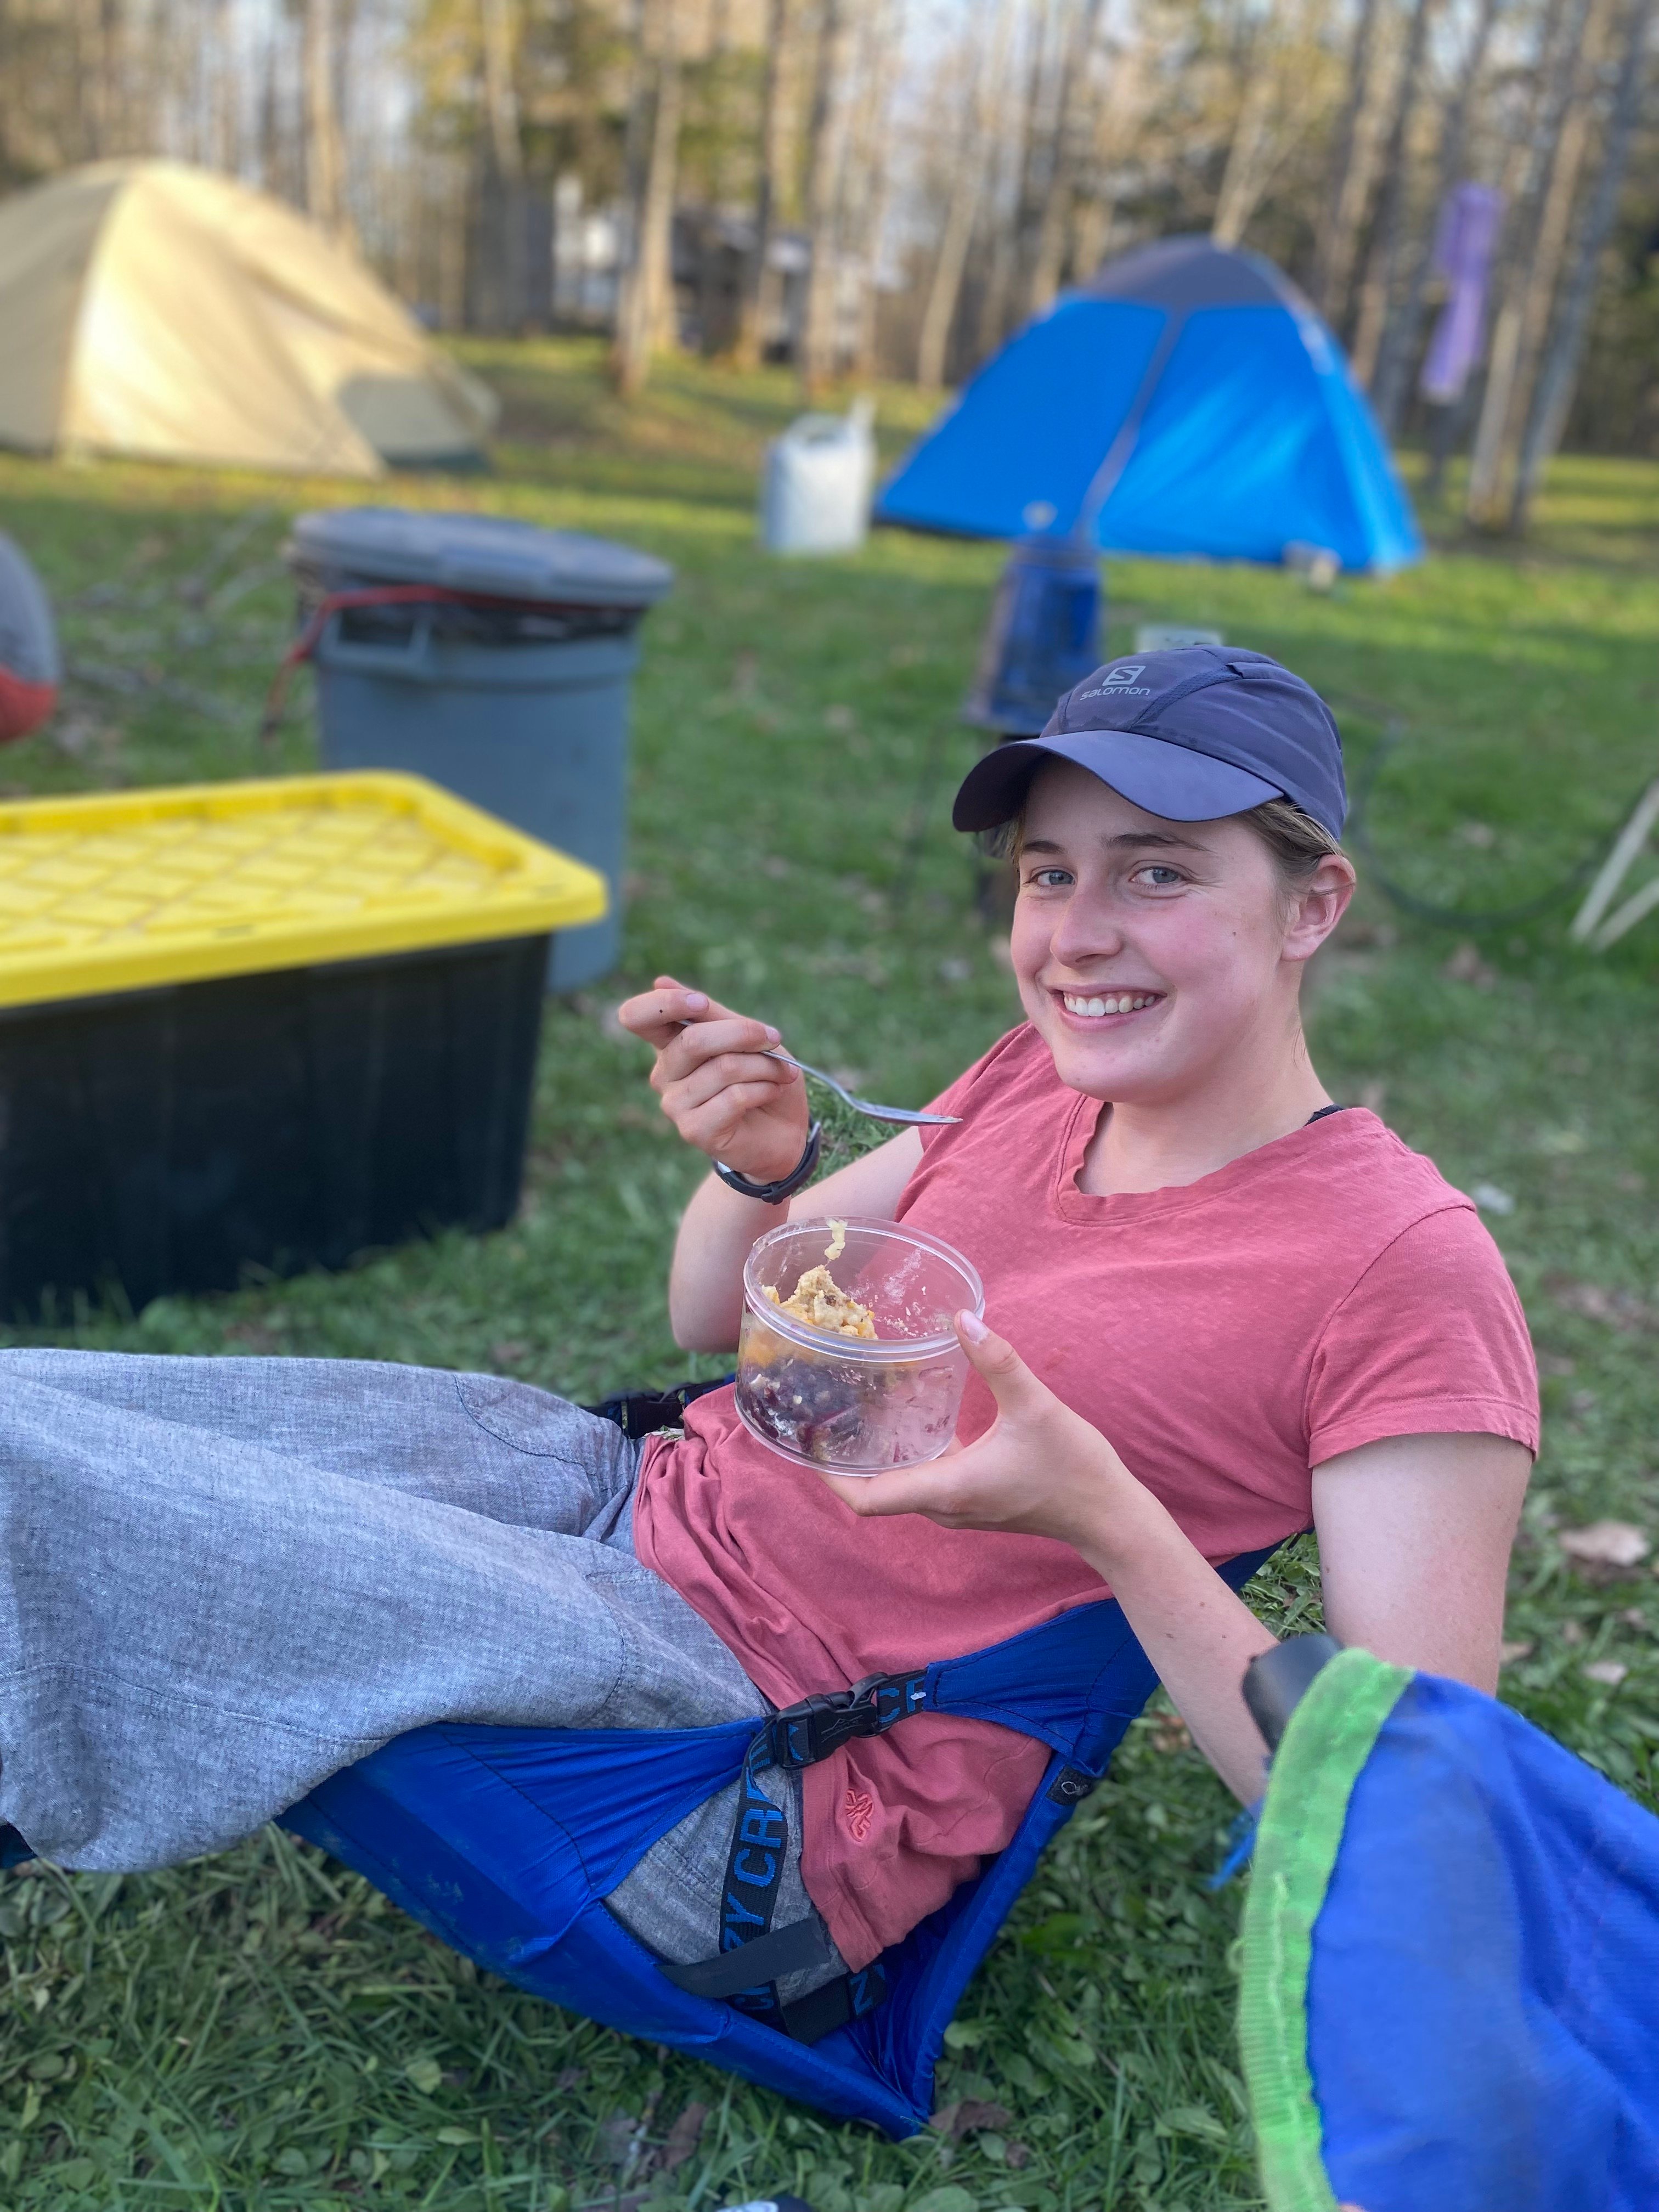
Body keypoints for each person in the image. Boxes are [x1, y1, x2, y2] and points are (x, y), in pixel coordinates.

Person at [0, 646, 1535, 2016]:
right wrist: (762, 1165)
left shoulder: (1399, 1268)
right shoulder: (1035, 1080)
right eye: (1049, 873)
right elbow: (715, 1312)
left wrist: (1110, 1524)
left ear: (1311, 904)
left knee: (38, 1486)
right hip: (617, 1496)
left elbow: (1420, 1817)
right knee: (46, 1413)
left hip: (747, 1756)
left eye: (1158, 874)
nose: (1075, 934)